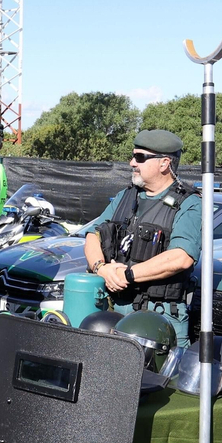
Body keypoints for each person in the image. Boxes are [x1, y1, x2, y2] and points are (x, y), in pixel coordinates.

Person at [78, 130, 202, 345]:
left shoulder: (189, 203)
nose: (132, 163)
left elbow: (181, 257)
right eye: (133, 156)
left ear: (164, 163)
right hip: (114, 309)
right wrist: (101, 268)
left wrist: (127, 275)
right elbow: (92, 235)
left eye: (140, 157)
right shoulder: (126, 196)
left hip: (160, 317)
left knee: (161, 378)